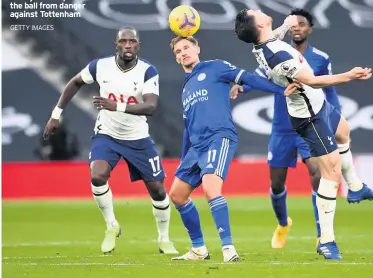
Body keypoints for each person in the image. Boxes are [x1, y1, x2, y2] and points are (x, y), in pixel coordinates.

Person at [231, 9, 373, 250]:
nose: (260, 11)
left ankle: (355, 187)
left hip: (320, 104)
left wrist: (284, 24)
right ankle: (326, 240)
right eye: (256, 13)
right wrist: (350, 75)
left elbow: (273, 38)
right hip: (309, 114)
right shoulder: (279, 55)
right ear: (259, 25)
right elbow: (312, 81)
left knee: (343, 130)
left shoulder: (264, 44)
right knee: (330, 175)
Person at [43, 27, 178, 255]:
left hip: (137, 137)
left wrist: (118, 106)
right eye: (123, 41)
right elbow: (75, 82)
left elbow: (151, 106)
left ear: (138, 45)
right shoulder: (100, 66)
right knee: (97, 175)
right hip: (107, 133)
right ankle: (111, 225)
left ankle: (164, 239)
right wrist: (56, 114)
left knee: (157, 190)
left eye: (132, 41)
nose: (127, 45)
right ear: (116, 45)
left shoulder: (147, 71)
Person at [168, 36, 298, 262]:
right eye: (178, 51)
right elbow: (188, 128)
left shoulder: (216, 67)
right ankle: (199, 249)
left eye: (187, 47)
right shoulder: (186, 89)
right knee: (177, 195)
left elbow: (248, 78)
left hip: (219, 138)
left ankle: (228, 248)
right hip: (195, 148)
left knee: (211, 188)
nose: (183, 53)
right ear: (177, 58)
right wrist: (183, 158)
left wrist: (280, 90)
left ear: (197, 48)